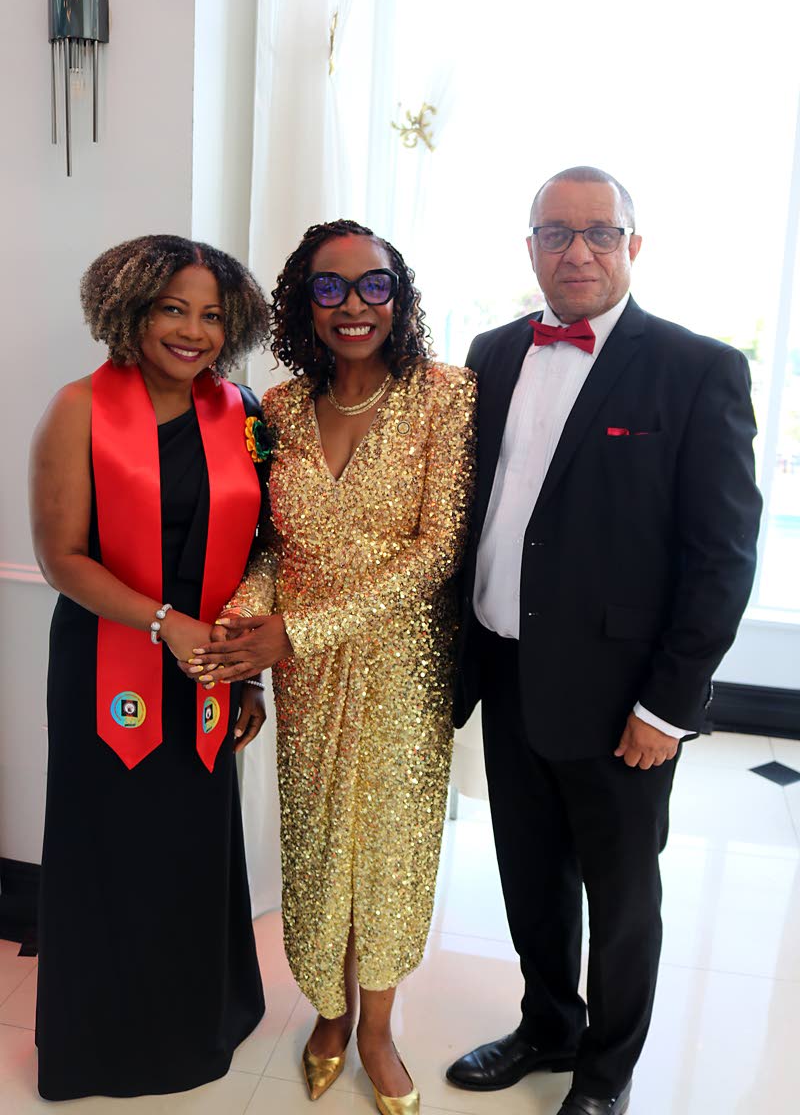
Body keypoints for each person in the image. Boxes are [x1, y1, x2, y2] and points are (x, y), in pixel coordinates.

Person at [445, 167, 762, 1115]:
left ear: (634, 244)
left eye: (598, 233)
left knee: (624, 901)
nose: (576, 251)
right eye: (555, 233)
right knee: (529, 875)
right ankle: (549, 1025)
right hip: (506, 668)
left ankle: (608, 1070)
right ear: (530, 247)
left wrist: (667, 706)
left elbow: (722, 559)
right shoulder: (492, 352)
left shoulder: (698, 367)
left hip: (624, 692)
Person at [184, 219, 476, 1114]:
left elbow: (438, 549)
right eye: (330, 287)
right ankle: (327, 1011)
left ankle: (379, 1027)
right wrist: (245, 628)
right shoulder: (273, 408)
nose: (354, 305)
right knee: (313, 844)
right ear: (302, 301)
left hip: (402, 665)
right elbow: (271, 543)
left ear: (401, 295)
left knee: (387, 852)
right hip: (304, 670)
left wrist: (295, 632)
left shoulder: (444, 395)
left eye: (373, 285)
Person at [29, 234, 272, 1100]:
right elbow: (61, 557)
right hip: (107, 661)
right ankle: (108, 1044)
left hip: (205, 666)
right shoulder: (79, 408)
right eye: (174, 308)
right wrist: (163, 622)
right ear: (129, 309)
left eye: (212, 315)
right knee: (113, 849)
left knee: (193, 847)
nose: (193, 331)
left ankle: (204, 1013)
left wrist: (240, 667)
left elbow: (256, 552)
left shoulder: (241, 411)